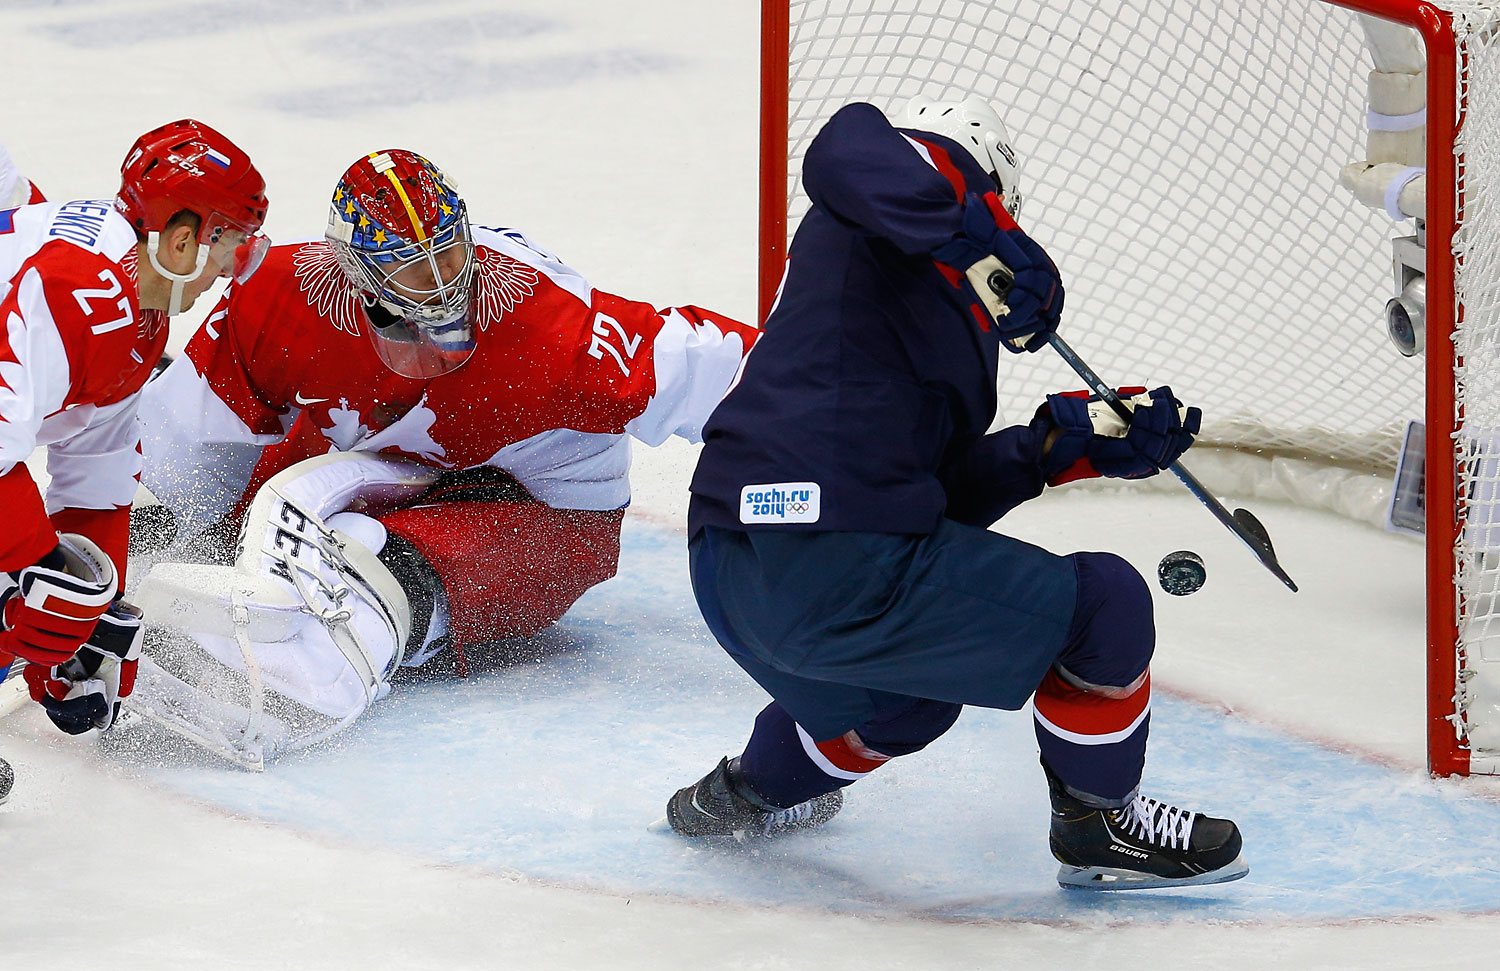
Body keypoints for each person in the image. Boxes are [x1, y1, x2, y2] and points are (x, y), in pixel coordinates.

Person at [660, 97, 1248, 891]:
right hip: (828, 567)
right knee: (1105, 602)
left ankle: (741, 794)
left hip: (732, 569)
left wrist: (1059, 447)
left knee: (910, 703)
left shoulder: (899, 303)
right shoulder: (900, 185)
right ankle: (1101, 820)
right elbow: (845, 143)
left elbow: (915, 504)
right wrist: (985, 236)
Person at [121, 148, 760, 768]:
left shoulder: (553, 331)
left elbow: (735, 372)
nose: (439, 290)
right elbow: (195, 436)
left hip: (540, 505)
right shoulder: (280, 299)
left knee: (361, 555)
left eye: (449, 257)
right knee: (190, 520)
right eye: (409, 270)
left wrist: (848, 443)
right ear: (354, 275)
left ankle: (297, 678)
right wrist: (145, 522)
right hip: (385, 456)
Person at [0, 121, 268, 793]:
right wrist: (42, 586)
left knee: (50, 592)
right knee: (32, 586)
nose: (230, 271)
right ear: (181, 242)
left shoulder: (135, 315)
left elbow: (95, 484)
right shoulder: (78, 295)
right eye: (229, 247)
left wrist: (78, 636)